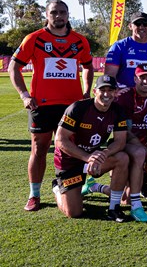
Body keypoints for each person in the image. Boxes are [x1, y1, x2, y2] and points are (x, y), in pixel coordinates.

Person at [9, 0, 93, 212]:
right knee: (39, 149)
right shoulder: (34, 39)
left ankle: (70, 187)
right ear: (47, 15)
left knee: (70, 149)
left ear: (68, 14)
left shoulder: (79, 41)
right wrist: (25, 95)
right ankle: (34, 195)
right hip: (42, 105)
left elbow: (88, 66)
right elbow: (13, 67)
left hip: (71, 106)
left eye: (63, 12)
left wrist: (85, 92)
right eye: (54, 12)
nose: (59, 16)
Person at [51, 75, 131, 221]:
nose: (106, 94)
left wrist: (103, 154)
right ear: (94, 91)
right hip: (70, 161)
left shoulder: (117, 110)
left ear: (116, 92)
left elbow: (120, 142)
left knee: (122, 158)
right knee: (74, 212)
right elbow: (60, 140)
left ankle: (113, 208)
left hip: (93, 158)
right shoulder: (77, 108)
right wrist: (87, 157)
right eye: (102, 90)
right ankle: (57, 188)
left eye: (110, 90)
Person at [100, 64, 147, 209]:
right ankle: (101, 187)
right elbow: (125, 131)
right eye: (142, 77)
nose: (146, 81)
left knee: (126, 199)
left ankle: (97, 187)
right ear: (135, 79)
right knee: (123, 195)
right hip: (123, 144)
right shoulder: (125, 96)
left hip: (142, 145)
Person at [104, 11, 147, 89]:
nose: (141, 27)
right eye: (138, 23)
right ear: (130, 26)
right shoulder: (119, 46)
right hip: (124, 94)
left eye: (145, 23)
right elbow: (109, 75)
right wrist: (117, 90)